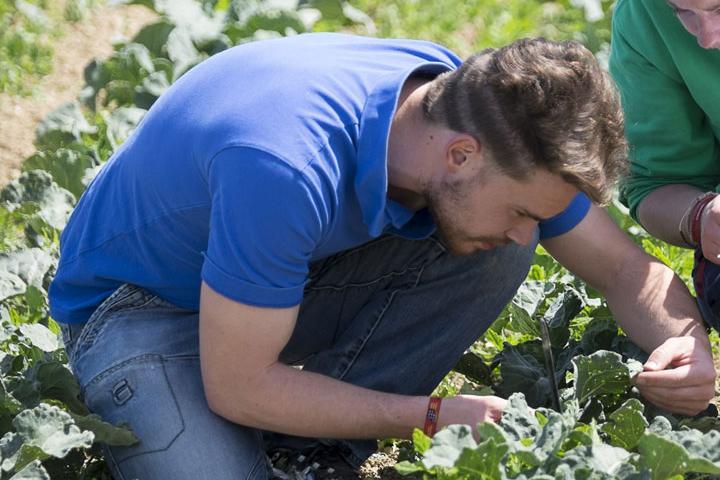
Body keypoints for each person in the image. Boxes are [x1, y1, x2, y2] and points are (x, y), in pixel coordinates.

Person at [49, 32, 715, 480]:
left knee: (496, 250)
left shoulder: (466, 114)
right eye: (520, 209)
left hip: (270, 290)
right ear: (459, 155)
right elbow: (238, 384)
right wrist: (424, 416)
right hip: (143, 311)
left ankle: (306, 444)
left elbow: (625, 268)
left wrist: (686, 343)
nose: (524, 231)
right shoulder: (283, 164)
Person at [610, 1, 720, 325]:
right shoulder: (642, 14)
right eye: (681, 12)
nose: (706, 38)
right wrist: (702, 215)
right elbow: (654, 184)